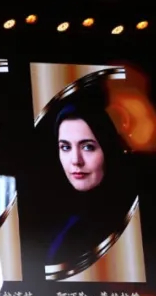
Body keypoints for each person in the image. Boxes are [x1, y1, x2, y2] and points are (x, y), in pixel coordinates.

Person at [48, 96, 133, 268]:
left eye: (88, 147)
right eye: (65, 147)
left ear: (108, 149)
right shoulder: (62, 219)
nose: (75, 160)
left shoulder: (129, 221)